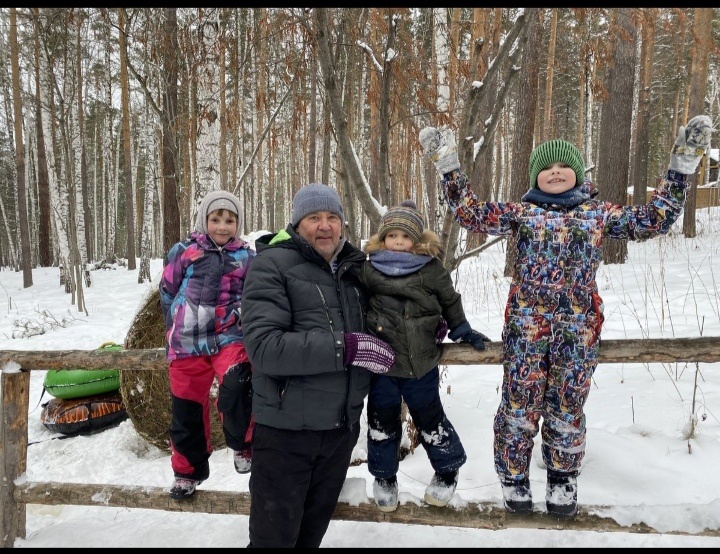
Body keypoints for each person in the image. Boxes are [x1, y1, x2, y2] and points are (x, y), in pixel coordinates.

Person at [419, 115, 712, 519]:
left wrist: (680, 169)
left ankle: (561, 476)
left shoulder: (597, 214)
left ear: (577, 174)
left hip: (577, 329)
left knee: (567, 404)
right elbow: (470, 213)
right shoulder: (520, 213)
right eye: (547, 168)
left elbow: (652, 220)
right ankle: (513, 476)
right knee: (518, 405)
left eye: (563, 166)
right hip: (526, 327)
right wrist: (448, 164)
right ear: (536, 177)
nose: (555, 172)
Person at [241, 183, 396, 548]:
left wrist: (425, 324)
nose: (324, 226)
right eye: (314, 218)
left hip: (339, 433)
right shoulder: (271, 265)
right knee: (273, 542)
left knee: (309, 539)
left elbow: (391, 314)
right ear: (297, 223)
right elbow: (265, 348)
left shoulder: (355, 270)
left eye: (332, 217)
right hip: (285, 434)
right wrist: (346, 347)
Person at [358, 199, 490, 513]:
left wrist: (462, 329)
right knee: (381, 422)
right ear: (383, 238)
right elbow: (355, 299)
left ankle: (447, 470)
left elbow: (450, 299)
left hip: (421, 363)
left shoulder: (430, 269)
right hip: (382, 364)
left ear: (417, 241)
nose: (399, 241)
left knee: (430, 420)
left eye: (406, 236)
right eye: (393, 235)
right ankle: (384, 476)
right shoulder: (369, 266)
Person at [159, 190, 256, 500]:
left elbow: (255, 295)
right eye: (216, 219)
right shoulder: (184, 251)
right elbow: (167, 290)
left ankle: (242, 445)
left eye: (230, 220)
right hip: (187, 340)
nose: (223, 226)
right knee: (186, 407)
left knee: (239, 384)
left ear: (238, 223)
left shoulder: (247, 256)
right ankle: (187, 471)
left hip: (229, 336)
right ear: (205, 220)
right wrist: (173, 324)